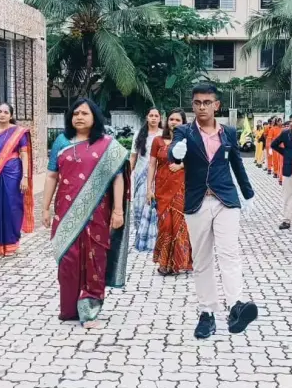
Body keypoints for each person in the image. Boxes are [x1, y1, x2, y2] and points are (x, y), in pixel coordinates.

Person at [169, 83, 257, 339]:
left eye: (207, 102)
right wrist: (176, 154)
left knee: (229, 253)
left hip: (225, 200)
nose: (202, 107)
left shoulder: (228, 132)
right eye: (197, 102)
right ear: (192, 105)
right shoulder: (184, 131)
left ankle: (236, 305)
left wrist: (248, 194)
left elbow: (237, 165)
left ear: (217, 105)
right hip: (196, 201)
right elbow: (174, 155)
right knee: (202, 259)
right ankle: (206, 313)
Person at [42, 98, 130, 328]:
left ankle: (89, 310)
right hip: (65, 212)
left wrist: (118, 210)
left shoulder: (108, 145)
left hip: (97, 213)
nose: (79, 117)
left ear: (95, 117)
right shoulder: (62, 142)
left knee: (95, 259)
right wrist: (45, 207)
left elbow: (118, 178)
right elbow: (52, 175)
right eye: (75, 113)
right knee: (67, 260)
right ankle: (70, 309)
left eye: (84, 113)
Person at [146, 108, 192, 276]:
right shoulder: (158, 140)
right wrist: (149, 189)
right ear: (167, 121)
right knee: (165, 225)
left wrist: (181, 165)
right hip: (162, 189)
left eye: (178, 120)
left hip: (181, 188)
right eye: (171, 119)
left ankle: (178, 263)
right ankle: (164, 262)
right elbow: (152, 165)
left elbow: (198, 161)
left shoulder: (189, 140)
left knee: (179, 225)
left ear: (183, 123)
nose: (174, 122)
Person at [0, 103, 34, 256]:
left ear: (11, 115)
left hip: (13, 173)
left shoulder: (18, 132)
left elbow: (24, 154)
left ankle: (12, 243)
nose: (2, 114)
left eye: (6, 112)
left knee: (12, 206)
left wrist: (25, 177)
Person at [130, 108, 162, 251]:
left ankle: (156, 238)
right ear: (147, 117)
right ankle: (141, 236)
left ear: (160, 119)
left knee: (155, 206)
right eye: (151, 115)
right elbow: (133, 156)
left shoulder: (163, 134)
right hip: (140, 175)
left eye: (156, 116)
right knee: (140, 204)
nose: (153, 118)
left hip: (157, 175)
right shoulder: (139, 134)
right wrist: (127, 174)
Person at [271, 114, 292, 244]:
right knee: (288, 196)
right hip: (288, 169)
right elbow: (274, 144)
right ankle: (286, 220)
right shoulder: (285, 134)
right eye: (291, 121)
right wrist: (285, 153)